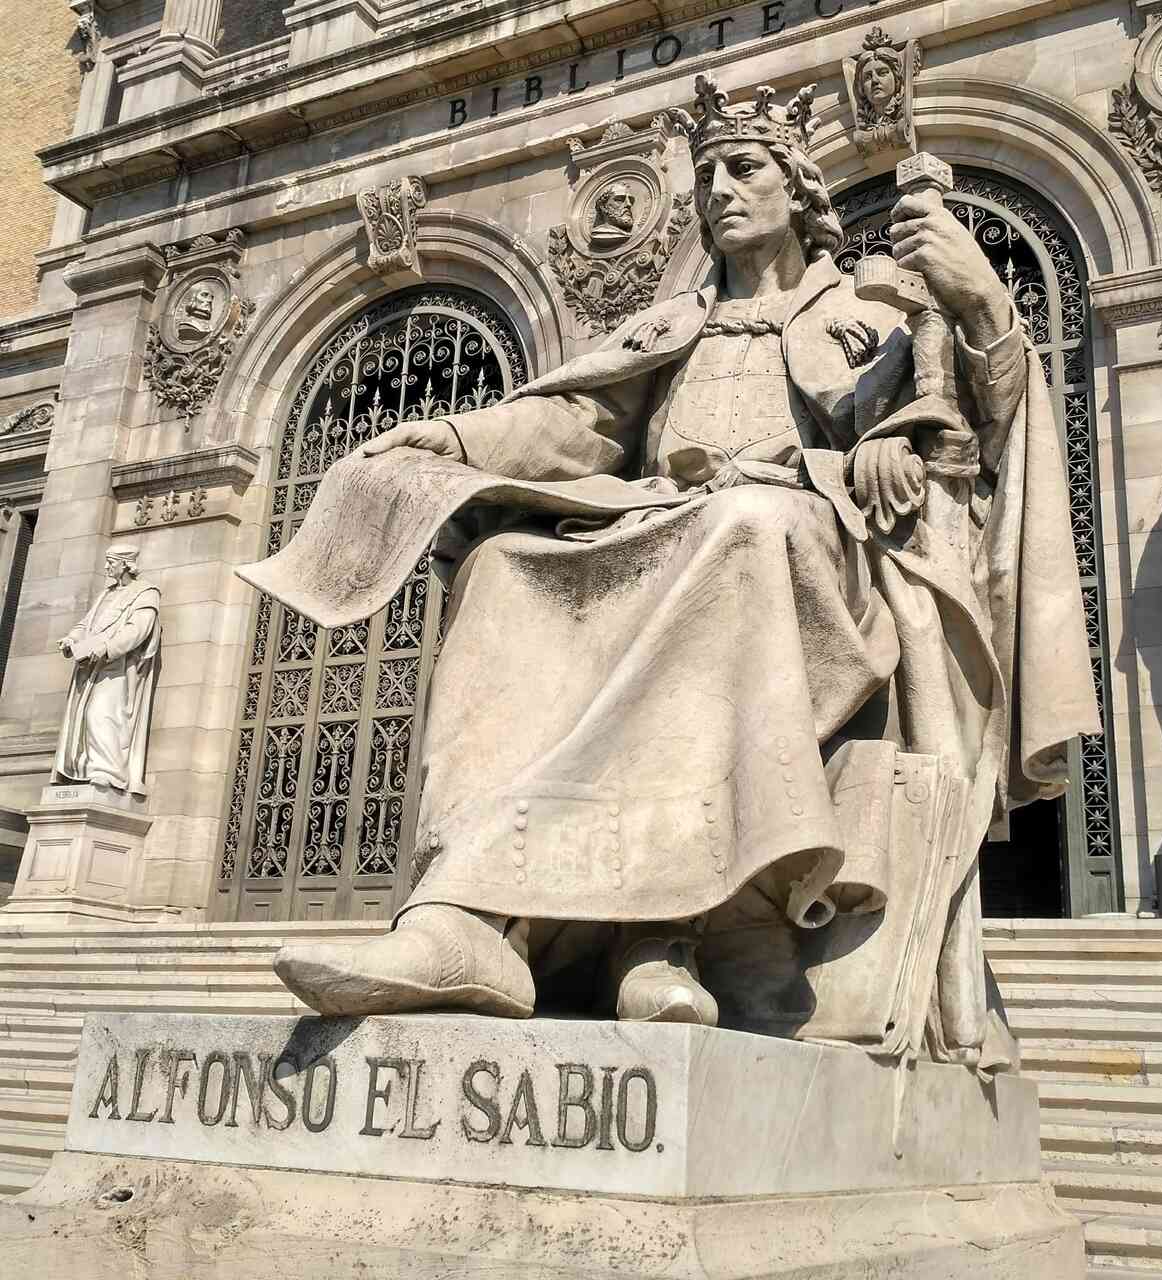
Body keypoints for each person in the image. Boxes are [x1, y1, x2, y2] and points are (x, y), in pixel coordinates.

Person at [249, 76, 1095, 1058]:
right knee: (505, 565)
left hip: (812, 553)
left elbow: (973, 435)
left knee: (743, 527)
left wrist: (968, 321)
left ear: (799, 189)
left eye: (743, 168)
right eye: (706, 176)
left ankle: (669, 929)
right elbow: (569, 425)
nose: (718, 191)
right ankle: (468, 916)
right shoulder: (672, 324)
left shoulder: (872, 312)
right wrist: (450, 436)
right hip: (663, 526)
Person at [53, 545, 161, 795]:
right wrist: (71, 639)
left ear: (125, 564)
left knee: (101, 714)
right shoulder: (106, 594)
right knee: (83, 718)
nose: (106, 567)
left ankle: (107, 771)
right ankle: (84, 769)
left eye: (111, 562)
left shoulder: (146, 593)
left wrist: (107, 648)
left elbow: (138, 629)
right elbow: (86, 625)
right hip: (90, 666)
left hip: (118, 667)